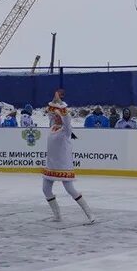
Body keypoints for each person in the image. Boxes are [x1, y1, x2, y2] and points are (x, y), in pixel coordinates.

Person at [42, 91, 95, 224]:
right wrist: (54, 102)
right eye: (55, 116)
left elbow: (67, 119)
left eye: (58, 116)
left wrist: (61, 106)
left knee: (71, 190)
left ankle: (90, 214)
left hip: (63, 165)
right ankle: (57, 215)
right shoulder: (52, 127)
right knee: (46, 189)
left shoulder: (66, 131)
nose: (56, 117)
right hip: (51, 165)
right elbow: (50, 112)